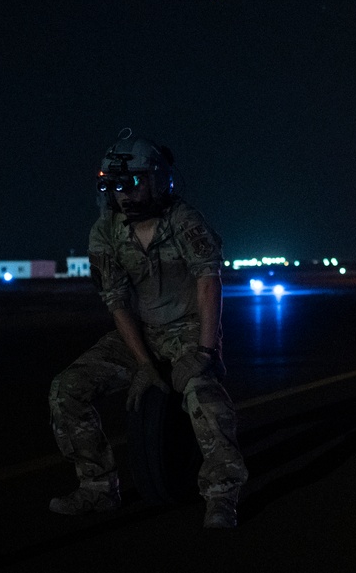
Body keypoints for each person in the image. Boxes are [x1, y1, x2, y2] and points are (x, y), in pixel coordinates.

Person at [48, 130, 247, 528]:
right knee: (66, 388)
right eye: (113, 185)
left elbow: (209, 282)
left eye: (132, 182)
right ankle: (98, 489)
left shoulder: (185, 222)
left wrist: (206, 353)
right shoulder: (104, 232)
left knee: (206, 401)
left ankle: (222, 496)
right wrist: (143, 364)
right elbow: (115, 301)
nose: (122, 194)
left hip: (189, 331)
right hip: (138, 334)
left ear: (158, 179)